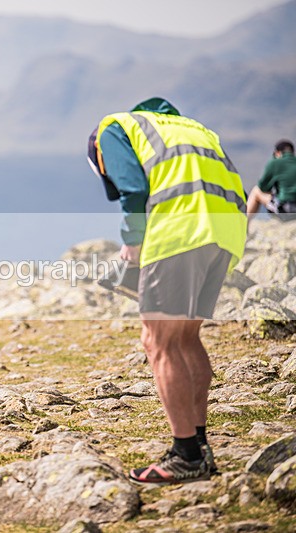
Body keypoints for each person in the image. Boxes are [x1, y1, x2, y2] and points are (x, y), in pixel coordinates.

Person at [87, 97, 247, 485]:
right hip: (226, 232)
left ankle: (185, 454)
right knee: (187, 338)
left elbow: (133, 189)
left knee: (158, 342)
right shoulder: (192, 128)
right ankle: (200, 446)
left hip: (179, 230)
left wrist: (133, 243)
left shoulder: (112, 129)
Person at [246, 139, 296, 219]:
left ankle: (244, 226)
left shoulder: (275, 163)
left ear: (278, 153)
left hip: (286, 211)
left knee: (256, 191)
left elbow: (263, 187)